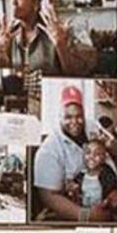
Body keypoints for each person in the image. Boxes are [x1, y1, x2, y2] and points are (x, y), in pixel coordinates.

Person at [0, 0, 96, 76]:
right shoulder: (8, 34)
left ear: (36, 4)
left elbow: (74, 75)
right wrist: (0, 51)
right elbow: (0, 76)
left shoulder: (56, 32)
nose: (14, 2)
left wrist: (61, 45)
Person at [32, 85, 106, 221]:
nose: (74, 122)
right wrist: (87, 216)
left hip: (102, 197)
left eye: (79, 116)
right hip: (72, 212)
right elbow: (49, 197)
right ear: (59, 116)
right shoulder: (48, 150)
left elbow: (106, 154)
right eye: (68, 117)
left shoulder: (92, 127)